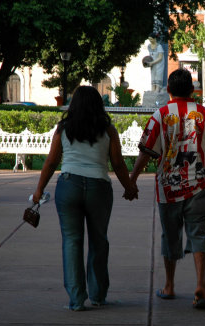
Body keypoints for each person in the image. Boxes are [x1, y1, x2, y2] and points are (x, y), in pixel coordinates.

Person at [32, 86, 138, 311]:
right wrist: (129, 188)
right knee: (99, 240)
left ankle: (76, 299)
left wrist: (39, 190)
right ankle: (98, 294)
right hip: (99, 187)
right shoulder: (108, 130)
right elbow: (118, 163)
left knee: (72, 241)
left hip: (68, 185)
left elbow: (51, 162)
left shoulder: (64, 128)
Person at [130, 69, 205, 309]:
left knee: (170, 235)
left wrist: (131, 180)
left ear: (169, 90)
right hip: (200, 184)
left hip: (168, 187)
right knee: (199, 233)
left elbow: (146, 151)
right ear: (193, 91)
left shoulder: (160, 115)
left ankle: (170, 285)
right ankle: (201, 285)